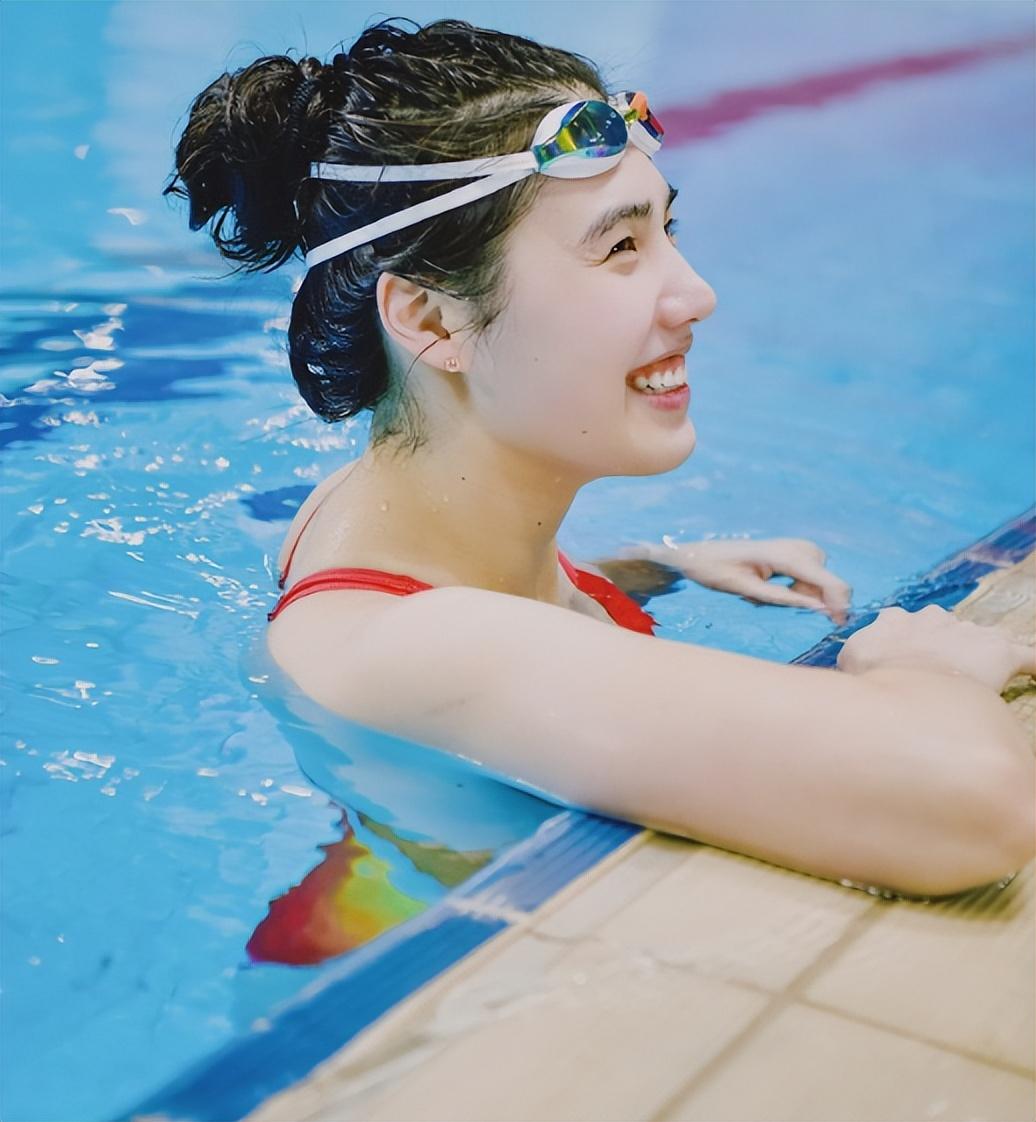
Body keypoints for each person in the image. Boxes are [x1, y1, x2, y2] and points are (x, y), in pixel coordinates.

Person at [168, 18, 1034, 898]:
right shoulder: (421, 646)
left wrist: (654, 568)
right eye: (620, 247)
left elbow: (489, 613)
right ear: (432, 322)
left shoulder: (374, 510)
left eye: (667, 229)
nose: (697, 293)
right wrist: (926, 673)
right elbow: (978, 807)